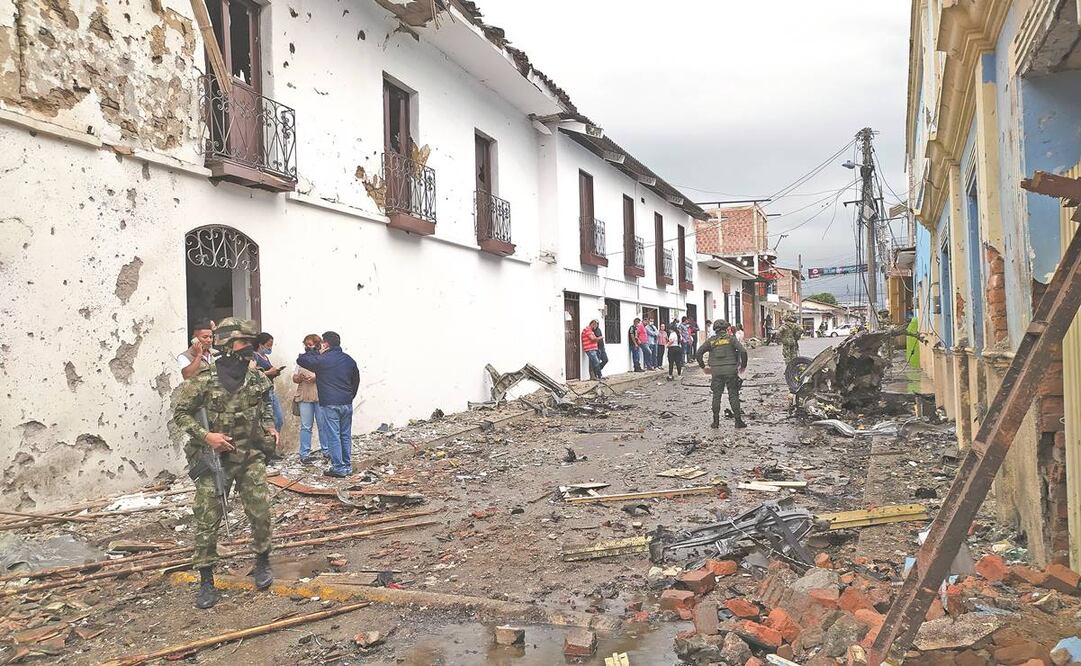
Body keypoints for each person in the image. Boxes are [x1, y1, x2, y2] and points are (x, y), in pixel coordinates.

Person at [172, 317, 279, 609]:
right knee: (207, 519)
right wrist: (207, 436)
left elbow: (265, 404)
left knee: (260, 513)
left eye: (250, 344)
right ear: (228, 346)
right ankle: (206, 579)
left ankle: (262, 562)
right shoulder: (203, 379)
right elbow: (180, 414)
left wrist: (271, 427)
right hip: (215, 459)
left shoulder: (257, 378)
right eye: (244, 344)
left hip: (250, 456)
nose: (249, 350)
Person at [297, 331, 360, 478]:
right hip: (346, 402)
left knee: (333, 435)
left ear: (325, 344)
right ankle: (347, 465)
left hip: (330, 403)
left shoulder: (322, 359)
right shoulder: (349, 360)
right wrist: (350, 396)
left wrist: (314, 350)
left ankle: (338, 467)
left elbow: (302, 360)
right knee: (345, 435)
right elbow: (355, 380)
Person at [696, 319, 748, 429]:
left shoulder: (711, 341)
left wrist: (703, 367)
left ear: (715, 329)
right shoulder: (731, 339)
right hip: (731, 371)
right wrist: (743, 366)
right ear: (726, 328)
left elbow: (699, 353)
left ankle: (715, 422)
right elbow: (743, 351)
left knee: (716, 396)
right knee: (733, 395)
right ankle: (738, 422)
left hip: (716, 372)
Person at [293, 334, 331, 465]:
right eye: (306, 345)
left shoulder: (324, 358)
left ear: (317, 344)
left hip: (320, 395)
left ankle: (326, 451)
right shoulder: (302, 359)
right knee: (305, 426)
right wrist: (299, 378)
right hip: (304, 395)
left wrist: (316, 377)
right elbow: (294, 377)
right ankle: (304, 454)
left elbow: (328, 375)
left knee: (323, 425)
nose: (307, 347)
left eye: (310, 345)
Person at [253, 333, 284, 432]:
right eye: (268, 345)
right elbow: (253, 373)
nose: (270, 348)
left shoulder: (265, 357)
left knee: (278, 419)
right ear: (260, 344)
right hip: (262, 392)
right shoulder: (254, 356)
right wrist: (269, 372)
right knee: (268, 419)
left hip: (270, 389)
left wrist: (275, 373)